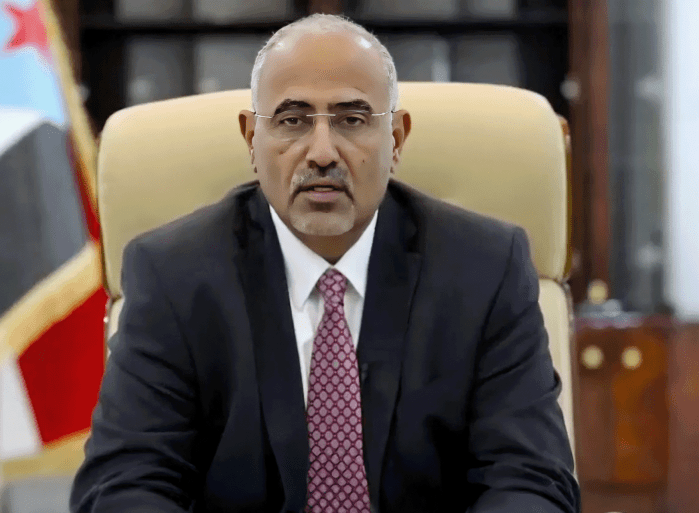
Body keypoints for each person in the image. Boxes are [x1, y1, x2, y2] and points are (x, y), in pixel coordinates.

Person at [70, 14, 579, 513]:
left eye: (351, 120)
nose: (321, 153)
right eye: (292, 121)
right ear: (251, 139)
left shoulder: (485, 270)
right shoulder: (172, 275)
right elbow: (123, 485)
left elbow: (530, 480)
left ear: (396, 138)